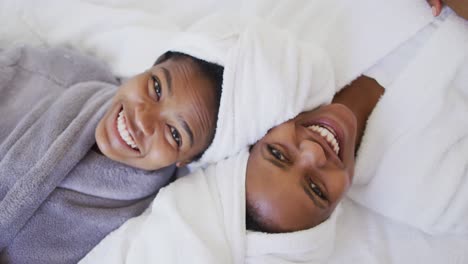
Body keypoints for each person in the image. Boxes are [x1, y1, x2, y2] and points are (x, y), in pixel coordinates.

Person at [0, 46, 223, 263]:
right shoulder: (63, 74)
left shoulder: (141, 229)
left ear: (186, 159)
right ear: (151, 66)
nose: (142, 119)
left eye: (174, 133)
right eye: (156, 87)